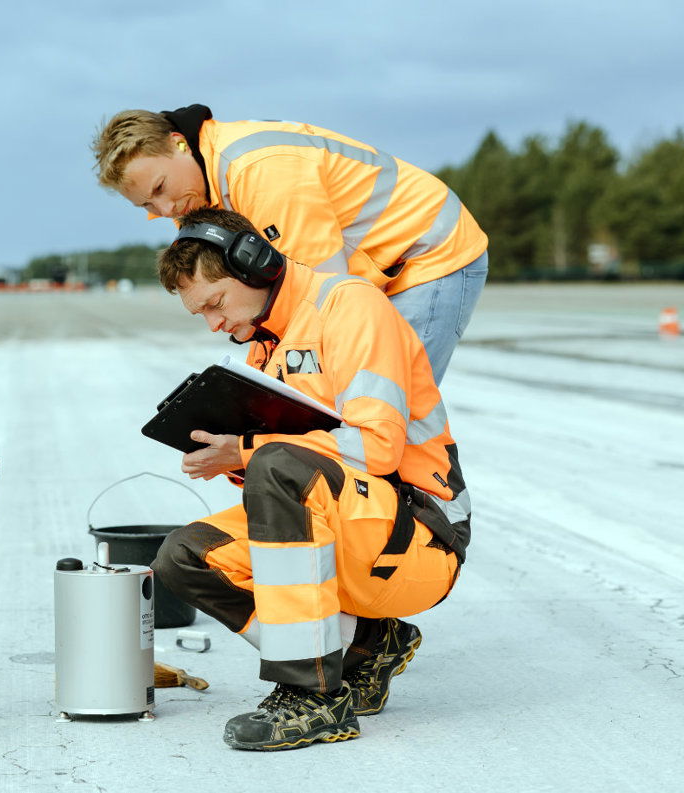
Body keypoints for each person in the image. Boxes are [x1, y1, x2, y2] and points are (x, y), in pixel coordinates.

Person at [149, 207, 471, 751]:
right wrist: (229, 457)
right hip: (354, 527)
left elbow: (375, 447)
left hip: (417, 536)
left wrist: (248, 450)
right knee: (184, 557)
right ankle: (368, 642)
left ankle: (315, 698)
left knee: (276, 464)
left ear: (255, 265)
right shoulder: (265, 345)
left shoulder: (350, 307)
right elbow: (294, 472)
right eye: (200, 313)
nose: (213, 324)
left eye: (216, 303)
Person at [92, 105, 489, 382]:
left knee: (386, 400)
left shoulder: (260, 171)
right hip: (374, 268)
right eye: (147, 204)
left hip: (426, 252)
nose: (165, 209)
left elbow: (327, 293)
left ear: (179, 143)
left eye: (161, 188)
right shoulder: (196, 190)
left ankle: (437, 505)